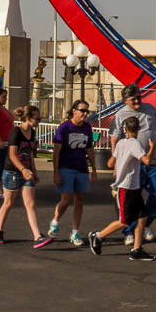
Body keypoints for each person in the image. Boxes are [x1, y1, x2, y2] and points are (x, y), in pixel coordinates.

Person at [88, 114, 156, 261]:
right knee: (125, 221)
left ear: (125, 129)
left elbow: (110, 164)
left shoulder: (120, 143)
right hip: (125, 187)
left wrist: (120, 158)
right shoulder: (135, 144)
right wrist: (152, 148)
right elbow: (147, 160)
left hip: (134, 187)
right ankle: (98, 236)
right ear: (139, 128)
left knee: (142, 217)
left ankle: (136, 249)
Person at [109, 87, 156, 243]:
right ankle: (129, 231)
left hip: (151, 162)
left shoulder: (150, 109)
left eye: (138, 97)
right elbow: (114, 140)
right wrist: (116, 164)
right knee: (132, 200)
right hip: (133, 166)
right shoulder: (120, 115)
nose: (137, 101)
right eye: (133, 99)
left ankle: (145, 224)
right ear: (125, 101)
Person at [0, 105, 52, 247]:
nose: (39, 121)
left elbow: (31, 153)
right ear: (28, 118)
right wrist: (23, 169)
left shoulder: (31, 132)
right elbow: (12, 155)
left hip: (27, 173)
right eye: (37, 118)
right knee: (8, 203)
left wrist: (34, 172)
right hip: (12, 172)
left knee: (30, 203)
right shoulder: (16, 132)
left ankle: (37, 236)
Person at [49, 102, 97, 244]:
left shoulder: (87, 127)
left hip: (81, 167)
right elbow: (56, 152)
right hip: (66, 167)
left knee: (80, 199)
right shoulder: (64, 128)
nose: (85, 114)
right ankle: (55, 221)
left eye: (87, 111)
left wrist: (93, 169)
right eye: (83, 111)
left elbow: (89, 149)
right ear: (74, 111)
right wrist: (56, 172)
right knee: (66, 198)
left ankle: (75, 232)